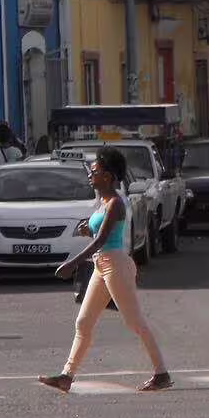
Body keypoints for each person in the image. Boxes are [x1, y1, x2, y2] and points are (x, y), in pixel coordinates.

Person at [39, 148, 171, 394]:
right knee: (84, 321)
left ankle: (161, 373)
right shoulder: (103, 203)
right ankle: (66, 376)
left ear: (108, 176)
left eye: (96, 171)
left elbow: (101, 240)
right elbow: (99, 234)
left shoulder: (116, 203)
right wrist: (85, 230)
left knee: (134, 322)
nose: (91, 174)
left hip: (115, 265)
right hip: (102, 265)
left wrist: (72, 263)